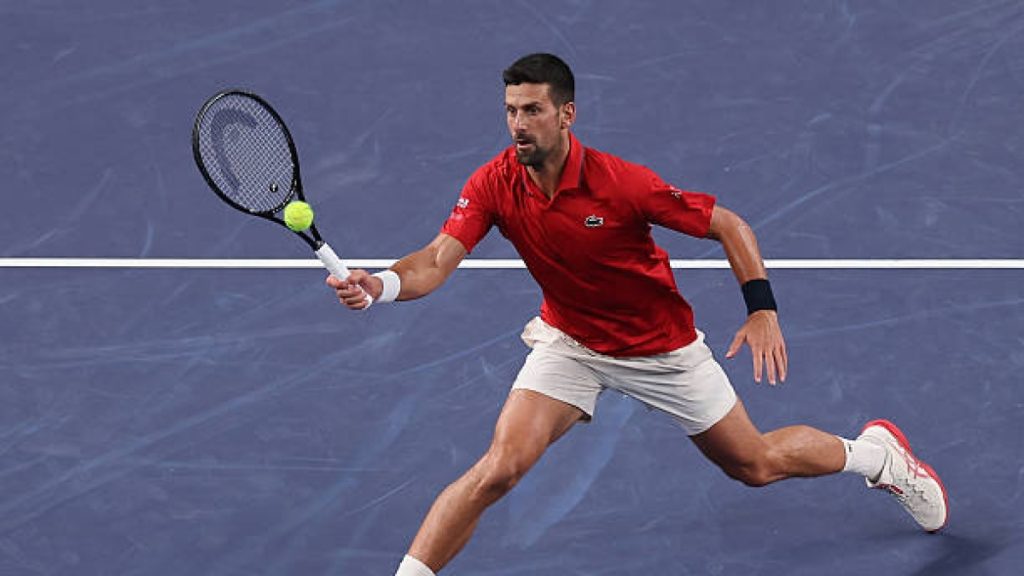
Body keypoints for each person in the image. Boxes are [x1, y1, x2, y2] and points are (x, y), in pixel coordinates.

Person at [327, 53, 948, 576]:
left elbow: (729, 224)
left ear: (566, 114)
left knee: (754, 465)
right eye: (511, 110)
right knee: (500, 468)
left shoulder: (622, 184)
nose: (519, 124)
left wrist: (761, 309)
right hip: (570, 342)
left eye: (533, 111)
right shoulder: (494, 183)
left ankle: (877, 457)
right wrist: (378, 284)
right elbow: (436, 259)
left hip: (661, 350)